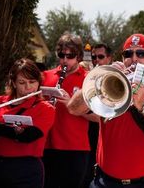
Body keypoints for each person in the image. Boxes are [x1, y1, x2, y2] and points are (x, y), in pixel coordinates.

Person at [68, 33, 144, 188]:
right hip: (105, 181)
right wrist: (99, 78)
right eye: (128, 54)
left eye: (141, 53)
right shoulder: (106, 80)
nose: (134, 58)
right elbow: (73, 109)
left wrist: (143, 105)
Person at [42, 33, 92, 188]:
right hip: (46, 146)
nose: (64, 60)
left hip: (75, 149)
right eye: (61, 55)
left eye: (70, 56)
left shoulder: (89, 79)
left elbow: (100, 117)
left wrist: (72, 105)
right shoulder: (46, 76)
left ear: (79, 56)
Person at [0, 58, 55, 188]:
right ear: (14, 83)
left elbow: (27, 136)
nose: (28, 87)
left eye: (32, 82)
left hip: (26, 169)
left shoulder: (45, 108)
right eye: (22, 82)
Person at [84, 43, 114, 188]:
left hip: (106, 135)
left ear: (109, 58)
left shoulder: (114, 77)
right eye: (94, 57)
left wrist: (83, 113)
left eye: (101, 57)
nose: (97, 60)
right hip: (88, 134)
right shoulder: (88, 77)